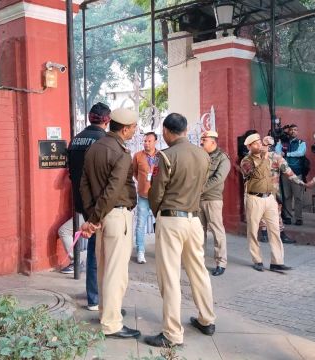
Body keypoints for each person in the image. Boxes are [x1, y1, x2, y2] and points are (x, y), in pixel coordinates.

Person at [143, 113, 215, 348]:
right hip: (194, 220)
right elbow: (203, 186)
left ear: (165, 131)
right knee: (198, 271)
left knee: (170, 276)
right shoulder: (203, 154)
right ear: (185, 129)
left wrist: (158, 214)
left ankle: (172, 333)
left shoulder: (166, 155)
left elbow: (156, 193)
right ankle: (207, 319)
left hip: (172, 218)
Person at [79, 108, 139, 339]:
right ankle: (112, 323)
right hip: (115, 215)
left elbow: (83, 184)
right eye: (134, 127)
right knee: (116, 273)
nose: (135, 131)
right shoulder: (121, 152)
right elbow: (113, 190)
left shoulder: (95, 147)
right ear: (124, 128)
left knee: (104, 268)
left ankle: (107, 311)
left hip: (100, 216)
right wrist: (94, 219)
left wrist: (91, 217)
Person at [67, 102, 110, 311]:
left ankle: (94, 294)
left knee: (94, 249)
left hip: (80, 201)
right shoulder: (103, 140)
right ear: (106, 120)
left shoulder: (76, 139)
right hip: (96, 204)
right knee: (97, 251)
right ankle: (95, 298)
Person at [240, 133, 303, 272]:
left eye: (259, 142)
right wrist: (264, 158)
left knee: (275, 230)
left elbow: (282, 171)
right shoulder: (246, 160)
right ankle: (257, 260)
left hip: (270, 198)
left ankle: (277, 262)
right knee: (253, 230)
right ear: (249, 146)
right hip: (254, 198)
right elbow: (256, 174)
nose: (260, 145)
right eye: (256, 144)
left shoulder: (269, 158)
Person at [198, 131, 231, 276]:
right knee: (199, 232)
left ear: (213, 142)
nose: (201, 142)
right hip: (198, 199)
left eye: (204, 140)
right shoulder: (200, 156)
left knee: (217, 231)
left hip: (212, 199)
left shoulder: (223, 158)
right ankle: (199, 261)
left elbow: (218, 178)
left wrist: (200, 189)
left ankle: (221, 262)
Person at [258, 136, 295, 245]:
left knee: (262, 211)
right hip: (273, 190)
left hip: (259, 189)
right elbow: (288, 172)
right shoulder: (277, 157)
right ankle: (281, 234)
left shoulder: (255, 156)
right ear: (272, 145)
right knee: (276, 212)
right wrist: (302, 182)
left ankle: (264, 235)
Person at [132, 132, 159, 264]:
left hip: (158, 197)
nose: (146, 143)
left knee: (161, 224)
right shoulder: (138, 156)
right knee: (140, 224)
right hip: (143, 195)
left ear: (155, 142)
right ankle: (140, 251)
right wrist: (142, 183)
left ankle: (161, 250)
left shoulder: (161, 156)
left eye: (149, 141)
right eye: (145, 141)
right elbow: (135, 172)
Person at [275, 124, 307, 225]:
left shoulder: (301, 142)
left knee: (298, 197)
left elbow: (300, 153)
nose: (293, 131)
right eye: (291, 130)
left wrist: (287, 154)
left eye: (295, 130)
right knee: (287, 196)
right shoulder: (283, 141)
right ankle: (288, 216)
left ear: (297, 132)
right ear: (288, 131)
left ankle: (299, 218)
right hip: (285, 173)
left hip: (297, 173)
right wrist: (279, 144)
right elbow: (277, 151)